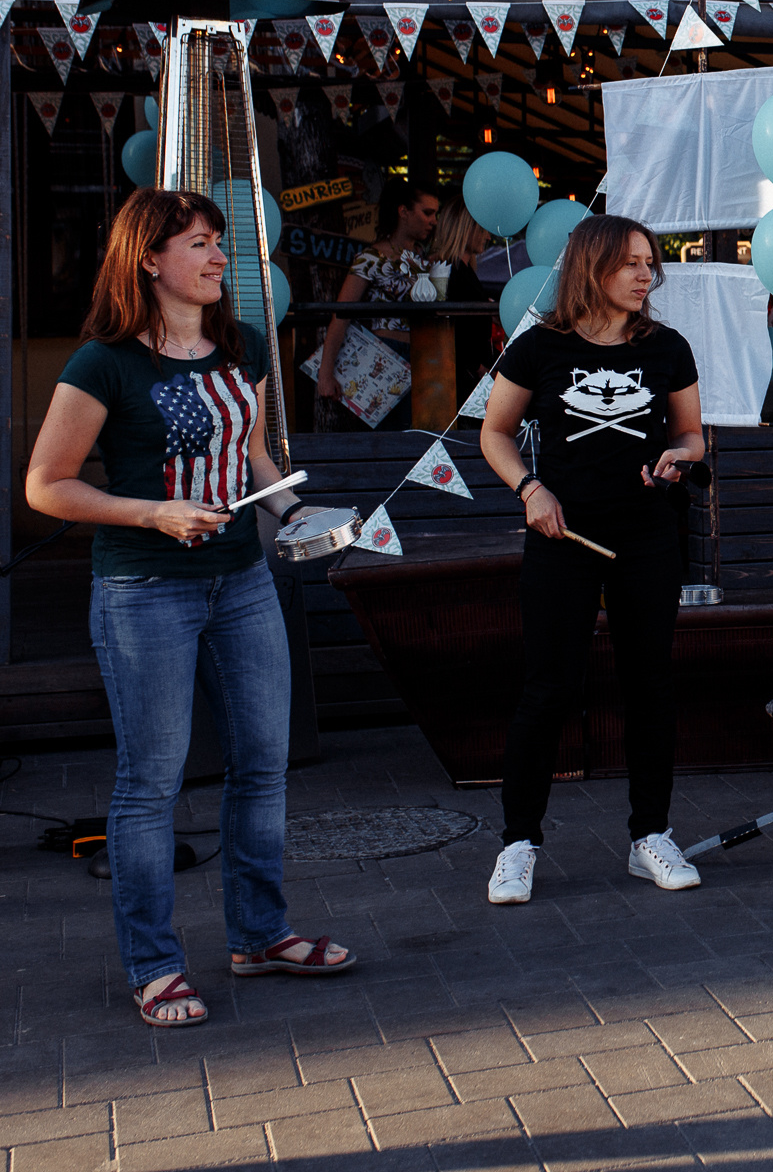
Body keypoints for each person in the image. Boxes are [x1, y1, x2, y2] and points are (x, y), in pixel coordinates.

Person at [25, 188, 355, 1029]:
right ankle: (155, 965)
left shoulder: (235, 345)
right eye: (201, 244)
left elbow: (249, 454)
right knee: (150, 783)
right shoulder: (103, 363)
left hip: (242, 580)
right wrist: (153, 512)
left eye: (218, 244)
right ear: (150, 259)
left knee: (262, 764)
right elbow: (46, 485)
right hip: (144, 590)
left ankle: (260, 936)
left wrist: (296, 516)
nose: (217, 259)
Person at [479, 216, 706, 903]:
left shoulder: (667, 347)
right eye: (631, 263)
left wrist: (677, 458)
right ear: (592, 267)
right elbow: (494, 432)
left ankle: (651, 837)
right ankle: (518, 844)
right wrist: (531, 488)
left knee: (649, 684)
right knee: (549, 687)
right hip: (561, 537)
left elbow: (693, 434)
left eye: (650, 264)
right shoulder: (539, 347)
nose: (646, 275)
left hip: (646, 536)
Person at [316, 178, 438, 426]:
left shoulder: (427, 258)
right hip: (384, 354)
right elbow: (341, 313)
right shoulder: (370, 258)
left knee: (420, 436)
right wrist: (325, 372)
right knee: (386, 438)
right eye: (427, 213)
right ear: (403, 212)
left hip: (425, 355)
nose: (433, 221)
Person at [425, 197, 497, 396]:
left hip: (469, 375)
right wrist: (477, 367)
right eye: (482, 229)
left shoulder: (460, 270)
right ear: (466, 228)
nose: (488, 236)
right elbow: (451, 328)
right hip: (462, 380)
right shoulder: (450, 271)